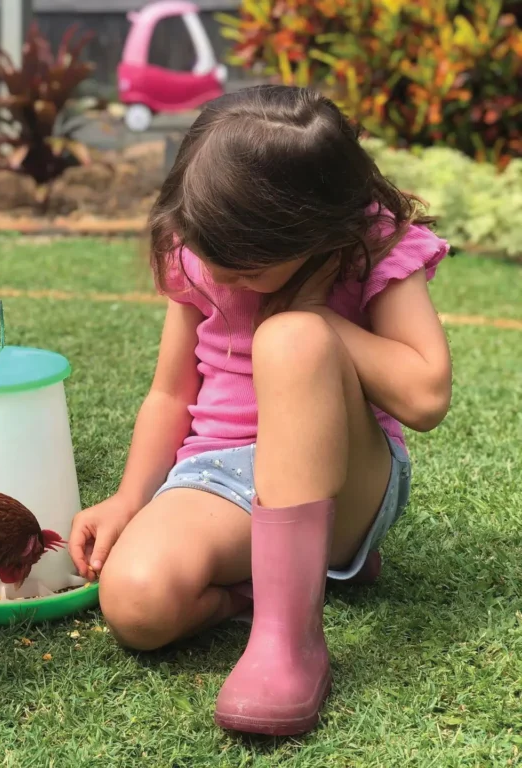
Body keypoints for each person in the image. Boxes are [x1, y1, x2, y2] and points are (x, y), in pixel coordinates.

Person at [68, 85, 452, 736]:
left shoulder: (372, 243)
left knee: (291, 341)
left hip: (344, 481)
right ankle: (257, 590)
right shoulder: (200, 246)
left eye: (240, 265)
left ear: (309, 230)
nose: (215, 271)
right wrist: (130, 498)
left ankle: (290, 640)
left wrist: (314, 321)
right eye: (204, 247)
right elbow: (170, 393)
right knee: (136, 604)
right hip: (219, 476)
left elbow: (425, 395)